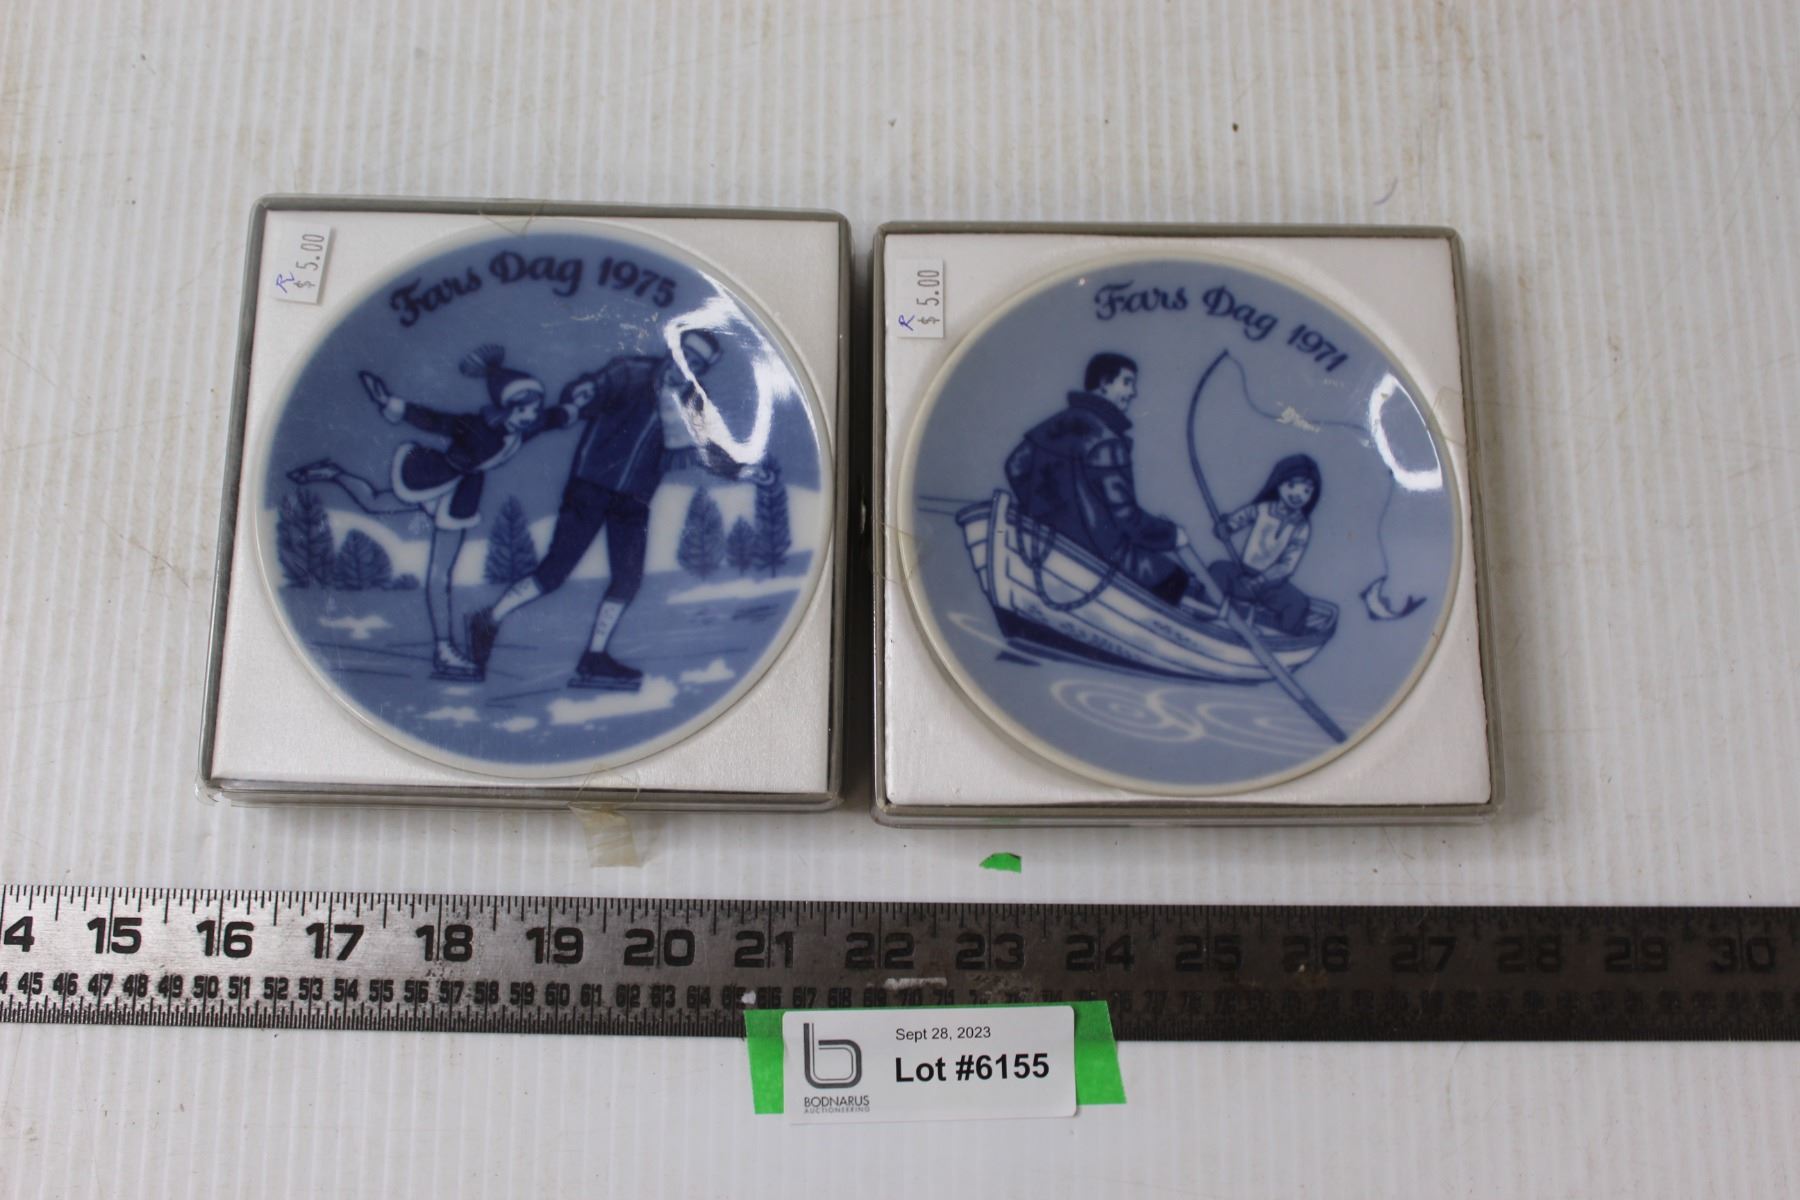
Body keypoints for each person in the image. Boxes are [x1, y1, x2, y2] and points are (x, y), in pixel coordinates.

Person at [466, 328, 773, 691]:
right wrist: (581, 392)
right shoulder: (631, 373)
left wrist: (743, 470)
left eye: (696, 365)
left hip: (634, 498)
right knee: (555, 571)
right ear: (672, 352)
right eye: (684, 357)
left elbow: (707, 449)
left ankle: (594, 657)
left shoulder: (692, 402)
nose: (686, 367)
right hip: (591, 487)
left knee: (628, 579)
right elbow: (588, 392)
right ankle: (488, 619)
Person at [287, 344, 568, 680]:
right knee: (437, 571)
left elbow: (550, 419)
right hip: (438, 479)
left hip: (459, 491)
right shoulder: (476, 426)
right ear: (505, 408)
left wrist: (581, 404)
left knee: (380, 507)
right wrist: (391, 403)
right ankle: (444, 651)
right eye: (525, 410)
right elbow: (436, 420)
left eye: (534, 409)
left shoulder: (525, 426)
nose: (531, 416)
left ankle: (333, 473)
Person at [1005, 352, 1210, 606]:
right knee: (1178, 580)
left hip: (1047, 540)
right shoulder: (1107, 442)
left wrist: (1043, 513)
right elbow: (1128, 520)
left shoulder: (1056, 423)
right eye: (1127, 382)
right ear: (1104, 384)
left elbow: (1015, 466)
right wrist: (1172, 535)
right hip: (1104, 554)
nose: (1133, 392)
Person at [1208, 453, 1322, 635]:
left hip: (1271, 584)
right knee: (1217, 570)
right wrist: (1225, 528)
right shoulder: (1263, 509)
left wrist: (1260, 581)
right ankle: (1207, 611)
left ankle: (1277, 637)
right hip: (1243, 571)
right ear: (1279, 483)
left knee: (1298, 604)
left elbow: (1287, 565)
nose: (1298, 495)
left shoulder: (1302, 527)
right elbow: (1238, 520)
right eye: (1292, 485)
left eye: (1307, 491)